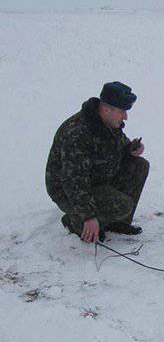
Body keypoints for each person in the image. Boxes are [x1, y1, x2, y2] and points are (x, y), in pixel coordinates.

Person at [45, 81, 149, 243]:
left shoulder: (108, 122)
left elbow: (117, 147)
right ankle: (75, 222)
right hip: (68, 190)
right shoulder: (77, 133)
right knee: (122, 205)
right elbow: (73, 180)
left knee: (139, 165)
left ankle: (116, 222)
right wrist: (88, 216)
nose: (126, 117)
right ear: (107, 109)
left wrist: (130, 150)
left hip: (96, 178)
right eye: (122, 111)